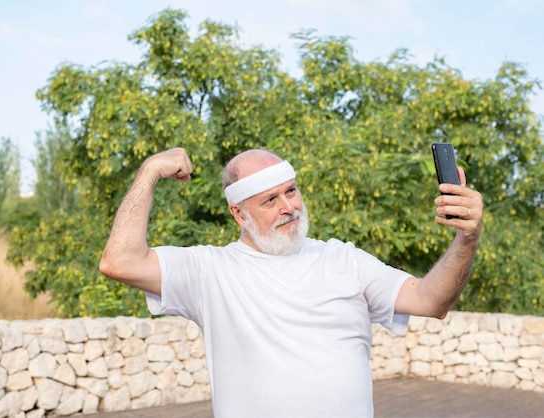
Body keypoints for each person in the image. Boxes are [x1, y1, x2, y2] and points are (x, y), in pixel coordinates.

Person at [99, 147, 483, 418]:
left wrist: (467, 237)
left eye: (291, 191)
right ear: (238, 213)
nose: (289, 207)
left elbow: (431, 301)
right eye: (269, 200)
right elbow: (119, 261)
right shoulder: (210, 271)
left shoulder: (343, 258)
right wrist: (149, 171)